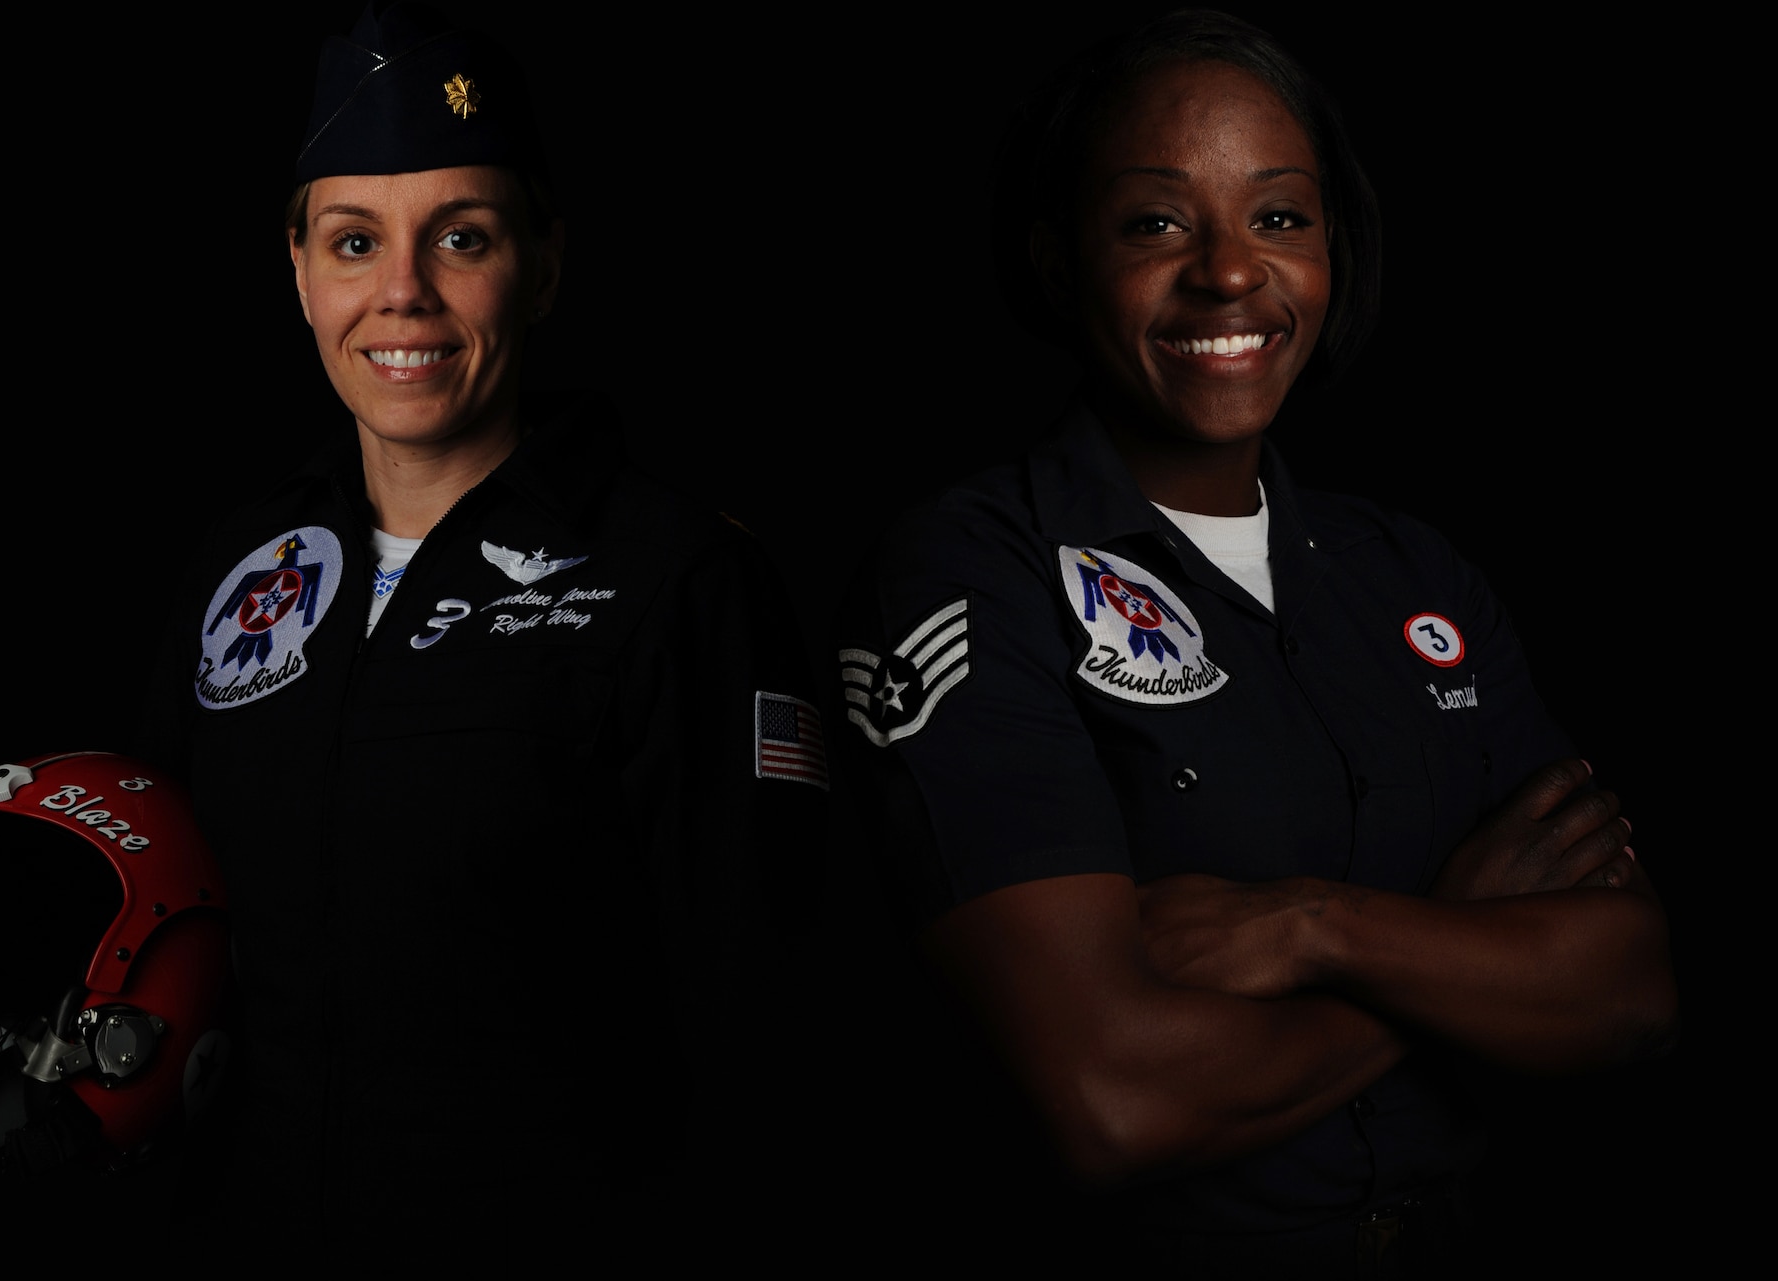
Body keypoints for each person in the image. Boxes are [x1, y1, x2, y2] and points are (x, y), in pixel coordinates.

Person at [834, 10, 1674, 1273]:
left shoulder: (1413, 575)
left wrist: (1312, 927)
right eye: (1155, 222)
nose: (1229, 273)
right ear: (1060, 263)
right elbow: (1114, 1100)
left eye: (1278, 216)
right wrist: (1453, 947)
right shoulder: (969, 573)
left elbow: (1625, 992)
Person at [138, 1, 826, 1235]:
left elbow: (766, 1034)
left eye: (460, 237)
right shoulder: (241, 567)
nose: (401, 295)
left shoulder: (676, 577)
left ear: (544, 263)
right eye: (354, 244)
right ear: (296, 272)